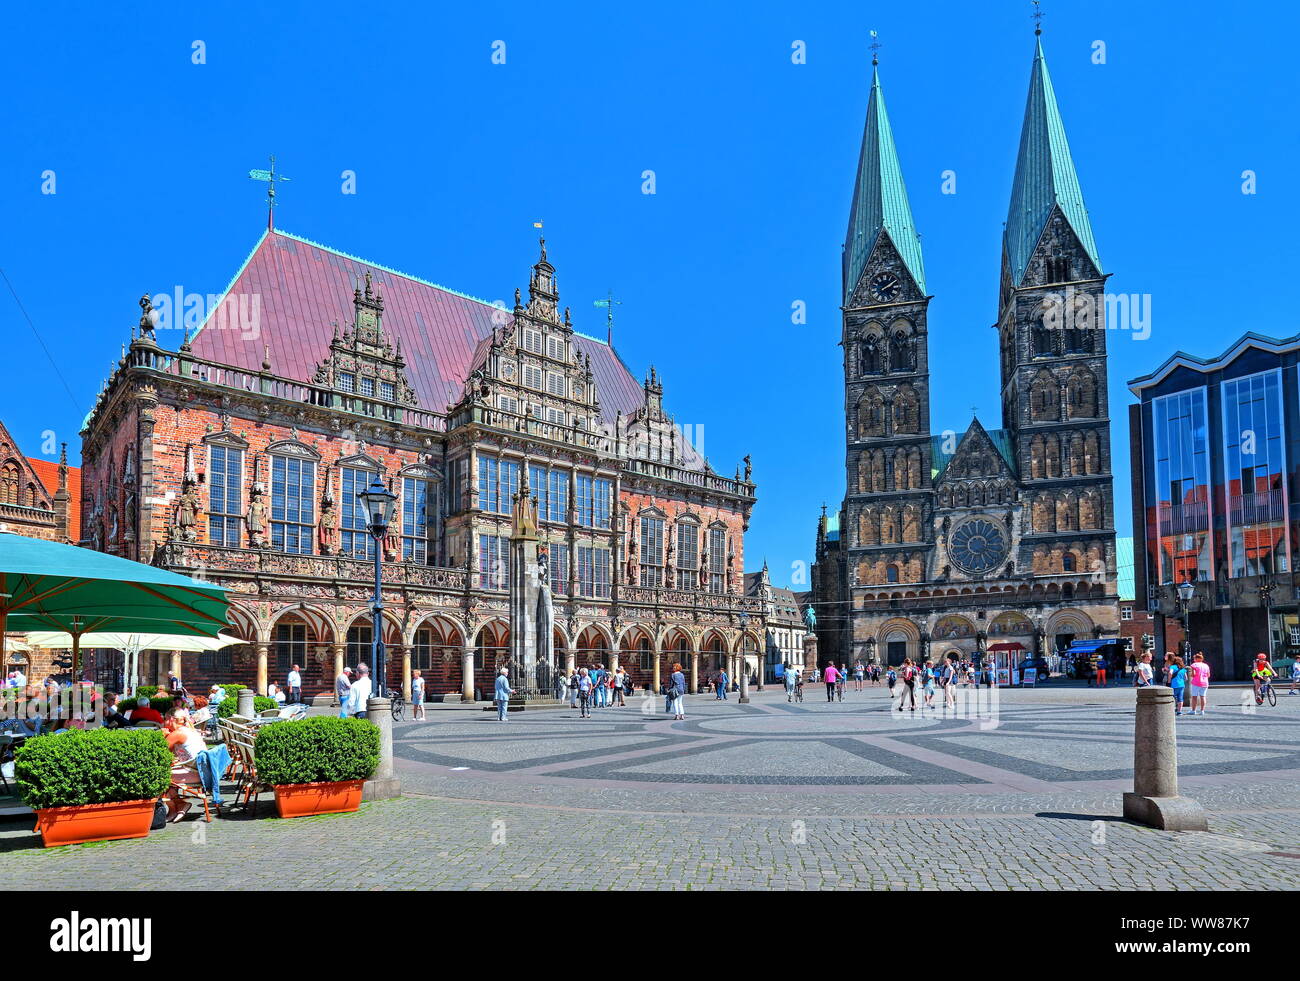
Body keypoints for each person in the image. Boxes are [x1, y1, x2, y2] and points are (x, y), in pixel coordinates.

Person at [163, 710, 208, 823]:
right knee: (165, 773)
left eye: (165, 719)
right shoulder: (189, 730)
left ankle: (178, 806)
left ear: (171, 719)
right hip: (203, 771)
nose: (163, 722)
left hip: (196, 773)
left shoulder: (177, 734)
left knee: (160, 777)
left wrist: (162, 735)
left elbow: (160, 751)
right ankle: (176, 808)